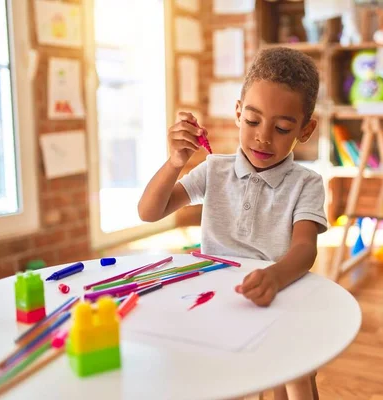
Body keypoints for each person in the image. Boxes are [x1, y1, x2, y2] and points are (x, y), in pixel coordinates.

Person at [138, 47, 327, 398]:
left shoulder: (306, 183)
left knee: (295, 370)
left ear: (305, 129)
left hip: (278, 288)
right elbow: (150, 211)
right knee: (223, 377)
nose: (264, 137)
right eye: (253, 121)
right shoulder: (215, 169)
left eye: (282, 127)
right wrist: (174, 162)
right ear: (238, 113)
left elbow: (304, 247)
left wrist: (274, 276)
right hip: (220, 297)